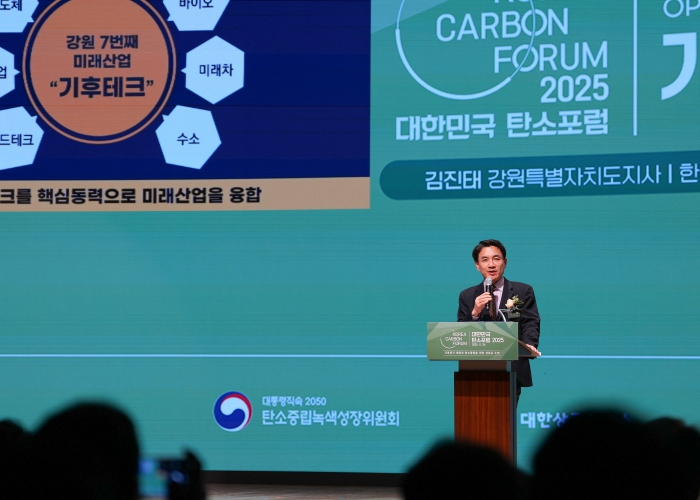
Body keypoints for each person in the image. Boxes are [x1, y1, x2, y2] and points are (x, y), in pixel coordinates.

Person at [457, 239, 541, 395]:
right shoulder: (467, 296)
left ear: (505, 262)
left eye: (496, 259)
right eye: (485, 260)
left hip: (511, 369)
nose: (491, 265)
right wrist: (474, 313)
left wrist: (529, 344)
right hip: (475, 370)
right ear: (477, 265)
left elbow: (530, 322)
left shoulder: (521, 291)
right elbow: (461, 335)